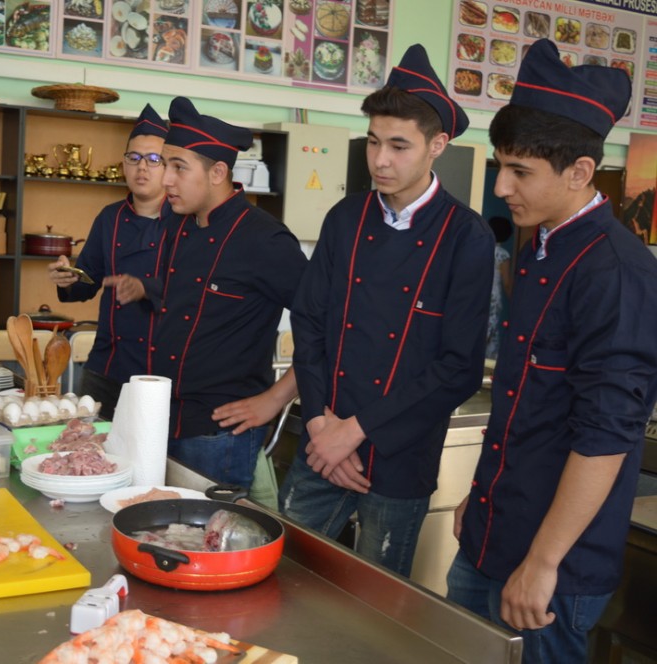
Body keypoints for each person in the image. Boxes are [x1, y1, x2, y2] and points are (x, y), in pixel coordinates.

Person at [448, 39, 657, 663]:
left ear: (580, 173)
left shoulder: (614, 270)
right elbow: (527, 404)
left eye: (520, 172)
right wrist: (480, 495)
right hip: (491, 534)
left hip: (549, 567)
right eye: (500, 165)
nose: (502, 186)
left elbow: (606, 433)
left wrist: (542, 562)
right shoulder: (541, 248)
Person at [277, 44, 495, 577]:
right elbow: (309, 321)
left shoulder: (465, 236)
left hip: (399, 463)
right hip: (322, 447)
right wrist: (326, 424)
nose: (380, 160)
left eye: (399, 146)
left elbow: (457, 369)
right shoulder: (346, 217)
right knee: (281, 574)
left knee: (375, 603)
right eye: (374, 142)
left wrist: (356, 431)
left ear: (437, 146)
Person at [106, 96, 306, 488]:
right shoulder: (177, 226)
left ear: (217, 172)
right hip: (164, 419)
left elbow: (328, 323)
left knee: (210, 541)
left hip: (219, 433)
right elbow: (183, 301)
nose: (165, 179)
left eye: (178, 167)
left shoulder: (264, 239)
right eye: (165, 165)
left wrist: (277, 398)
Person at [47, 104, 176, 420]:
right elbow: (89, 280)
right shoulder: (110, 217)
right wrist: (70, 278)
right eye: (134, 158)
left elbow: (194, 290)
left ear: (169, 167)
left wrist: (146, 288)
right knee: (91, 450)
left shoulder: (185, 221)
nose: (142, 167)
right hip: (106, 364)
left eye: (153, 159)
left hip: (161, 373)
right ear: (124, 163)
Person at [485, 215, 514, 359]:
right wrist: (515, 303)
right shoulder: (502, 254)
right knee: (491, 331)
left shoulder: (480, 248)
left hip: (478, 294)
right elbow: (507, 282)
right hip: (493, 297)